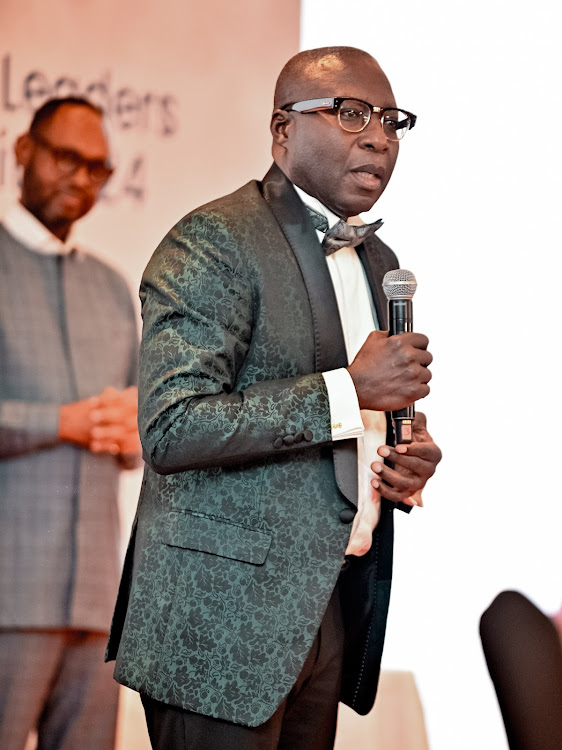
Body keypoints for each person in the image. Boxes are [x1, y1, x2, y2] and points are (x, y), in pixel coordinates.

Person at [107, 46, 442, 750]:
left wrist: (401, 456)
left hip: (328, 607)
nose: (379, 136)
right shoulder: (213, 241)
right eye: (351, 113)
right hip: (220, 627)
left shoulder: (380, 263)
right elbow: (172, 428)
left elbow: (359, 413)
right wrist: (351, 390)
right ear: (283, 129)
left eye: (390, 120)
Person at [0, 97, 141, 750]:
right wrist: (64, 421)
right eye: (67, 158)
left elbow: (142, 432)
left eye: (98, 169)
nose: (82, 179)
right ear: (24, 152)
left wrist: (140, 432)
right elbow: (75, 421)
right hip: (8, 593)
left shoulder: (113, 289)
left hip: (94, 600)